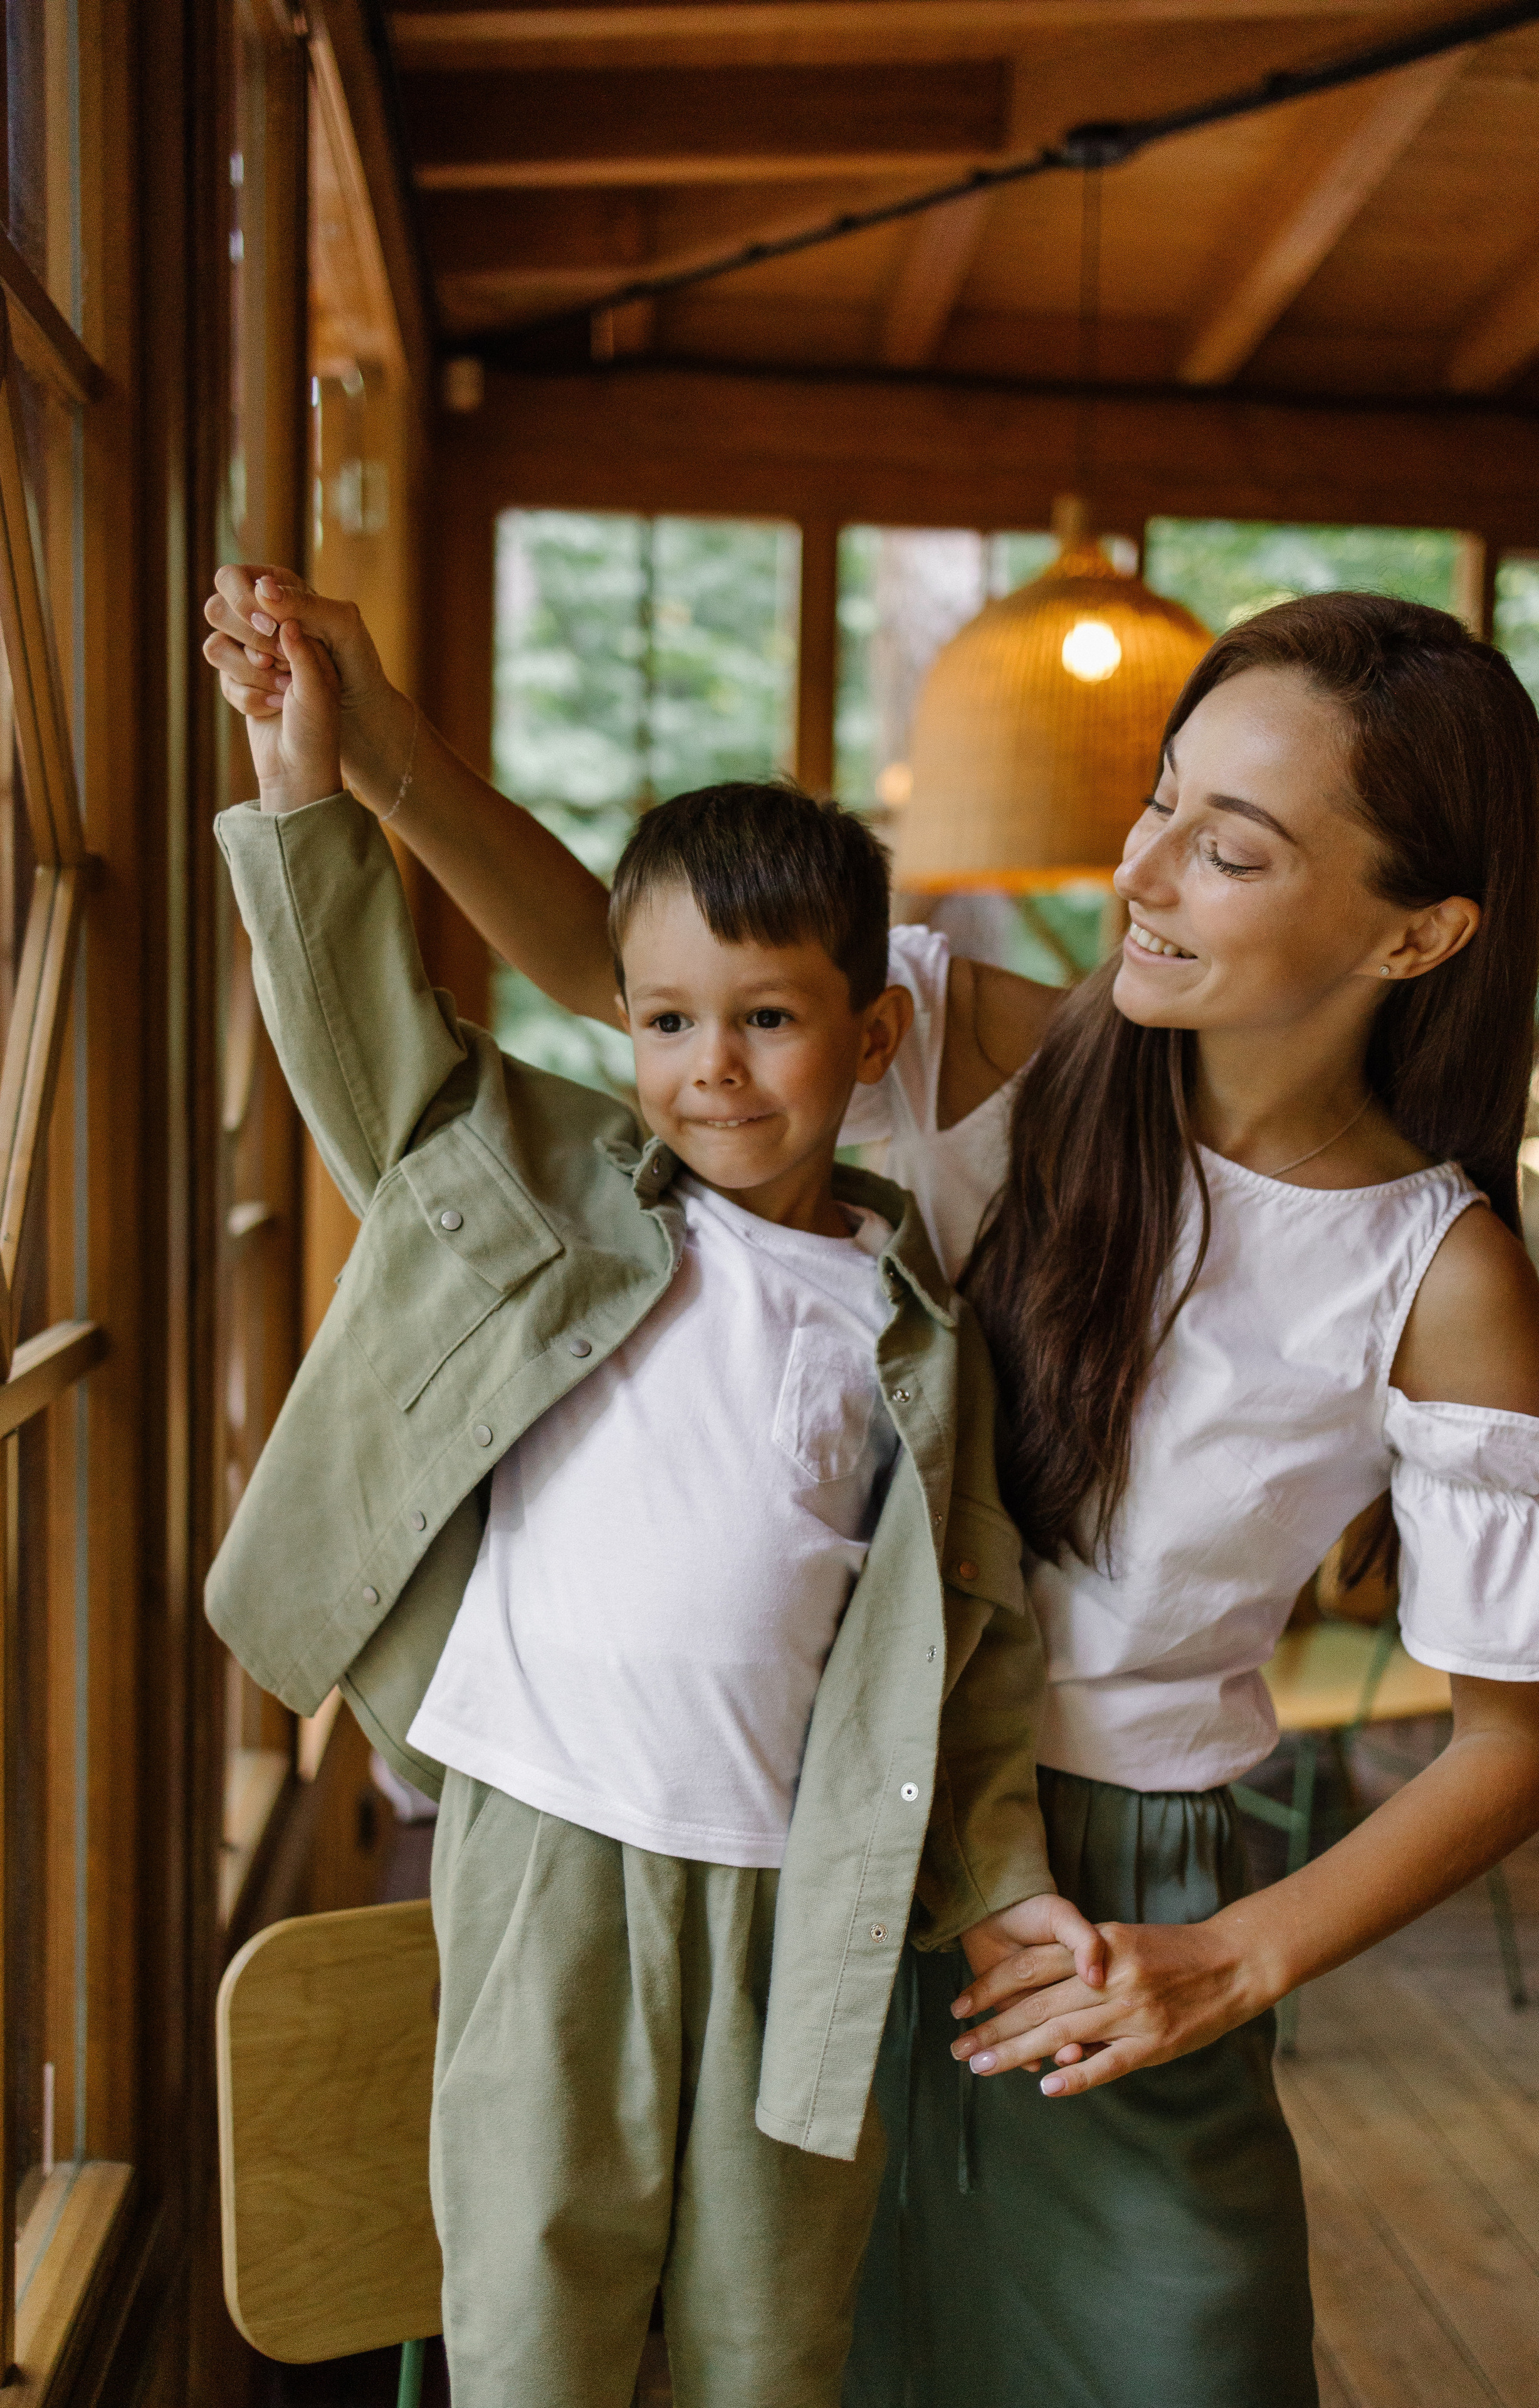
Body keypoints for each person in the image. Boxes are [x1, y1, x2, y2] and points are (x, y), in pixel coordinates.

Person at [205, 571, 1539, 2407]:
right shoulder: (1003, 1056)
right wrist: (375, 757)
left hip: (1111, 1907)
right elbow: (619, 971)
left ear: (1416, 936)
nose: (1146, 870)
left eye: (1232, 849)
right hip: (799, 1848)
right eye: (1161, 800)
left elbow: (1519, 1746)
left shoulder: (1441, 1271)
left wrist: (1229, 1964)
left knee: (1183, 2353)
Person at [204, 606, 1088, 2408]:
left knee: (767, 2341)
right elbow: (370, 1040)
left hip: (801, 1889)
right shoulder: (555, 1202)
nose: (714, 1069)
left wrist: (999, 1887)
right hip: (548, 1845)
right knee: (534, 2307)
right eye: (668, 1019)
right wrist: (305, 784)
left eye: (768, 1020)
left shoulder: (920, 1337)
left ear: (872, 1030)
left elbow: (969, 1654)